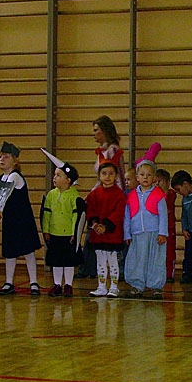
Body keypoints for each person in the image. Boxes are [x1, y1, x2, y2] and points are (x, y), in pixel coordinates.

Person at [0, 142, 42, 296]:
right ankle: (9, 282)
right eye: (0, 156)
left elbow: (5, 193)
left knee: (28, 251)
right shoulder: (0, 178)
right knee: (10, 252)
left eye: (6, 157)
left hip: (23, 220)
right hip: (10, 221)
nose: (2, 159)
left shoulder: (14, 176)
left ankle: (34, 283)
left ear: (15, 161)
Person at [78, 116, 126, 279]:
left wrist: (117, 197)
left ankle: (95, 269)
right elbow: (100, 179)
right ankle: (89, 268)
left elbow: (116, 176)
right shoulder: (102, 151)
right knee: (94, 228)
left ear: (104, 131)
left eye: (96, 130)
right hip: (101, 195)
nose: (94, 134)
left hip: (110, 197)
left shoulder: (112, 150)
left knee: (105, 229)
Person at [124, 143, 167, 299]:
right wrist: (127, 234)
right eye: (142, 175)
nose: (145, 178)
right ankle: (137, 285)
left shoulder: (158, 195)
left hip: (155, 233)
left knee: (156, 260)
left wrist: (163, 233)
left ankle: (156, 287)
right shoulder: (131, 196)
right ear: (137, 178)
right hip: (137, 234)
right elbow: (127, 216)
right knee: (137, 259)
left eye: (149, 175)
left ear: (154, 178)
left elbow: (163, 215)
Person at [41, 149, 86, 298]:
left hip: (68, 235)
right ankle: (57, 284)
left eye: (58, 175)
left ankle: (68, 285)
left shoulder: (74, 196)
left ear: (68, 180)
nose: (54, 178)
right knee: (56, 261)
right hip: (54, 233)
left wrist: (74, 233)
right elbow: (46, 214)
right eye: (55, 175)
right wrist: (46, 230)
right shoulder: (51, 195)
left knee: (68, 262)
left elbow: (76, 217)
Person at [86, 160, 127, 297]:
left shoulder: (119, 194)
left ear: (116, 176)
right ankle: (101, 286)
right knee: (100, 261)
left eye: (111, 173)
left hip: (112, 233)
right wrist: (95, 225)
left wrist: (106, 226)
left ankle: (114, 287)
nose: (107, 176)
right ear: (99, 175)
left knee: (113, 260)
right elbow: (90, 210)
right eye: (104, 173)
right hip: (97, 234)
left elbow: (118, 213)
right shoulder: (94, 194)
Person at [171, 170, 192, 285]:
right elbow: (184, 215)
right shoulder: (185, 199)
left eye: (178, 189)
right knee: (189, 255)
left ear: (185, 184)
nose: (178, 193)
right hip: (190, 232)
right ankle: (187, 274)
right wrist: (184, 228)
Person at [155, 169, 177, 283]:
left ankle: (169, 274)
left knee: (169, 253)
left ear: (167, 182)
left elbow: (167, 198)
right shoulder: (153, 195)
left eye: (160, 181)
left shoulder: (171, 194)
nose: (157, 184)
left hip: (169, 229)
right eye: (156, 182)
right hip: (156, 229)